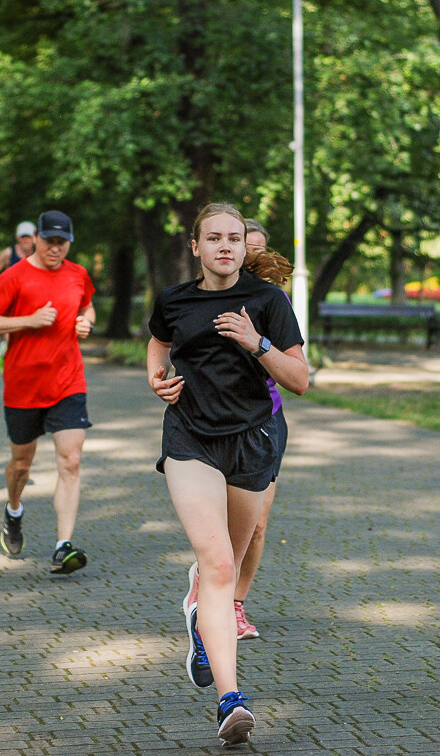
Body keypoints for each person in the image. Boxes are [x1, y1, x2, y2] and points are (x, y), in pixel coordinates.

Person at [146, 202, 308, 746]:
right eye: (213, 238)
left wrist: (255, 341)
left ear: (245, 246)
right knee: (217, 565)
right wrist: (156, 377)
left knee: (231, 560)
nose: (225, 246)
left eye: (234, 239)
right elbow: (158, 342)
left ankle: (200, 618)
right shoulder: (174, 300)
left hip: (252, 441)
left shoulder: (267, 301)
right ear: (196, 247)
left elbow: (300, 379)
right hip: (190, 437)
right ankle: (230, 699)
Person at [180, 218, 290, 641]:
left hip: (265, 419)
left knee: (257, 523)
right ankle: (208, 578)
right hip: (209, 423)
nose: (249, 254)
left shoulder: (272, 300)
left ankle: (234, 604)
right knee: (213, 520)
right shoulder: (200, 299)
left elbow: (294, 368)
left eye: (254, 246)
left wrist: (257, 341)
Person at [0, 210, 96, 574]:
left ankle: (63, 546)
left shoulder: (78, 274)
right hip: (23, 386)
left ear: (69, 242)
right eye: (49, 241)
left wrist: (86, 321)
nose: (55, 248)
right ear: (36, 238)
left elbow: (87, 305)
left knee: (70, 461)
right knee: (22, 465)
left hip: (68, 382)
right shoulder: (13, 277)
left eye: (62, 242)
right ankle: (14, 509)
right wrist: (27, 320)